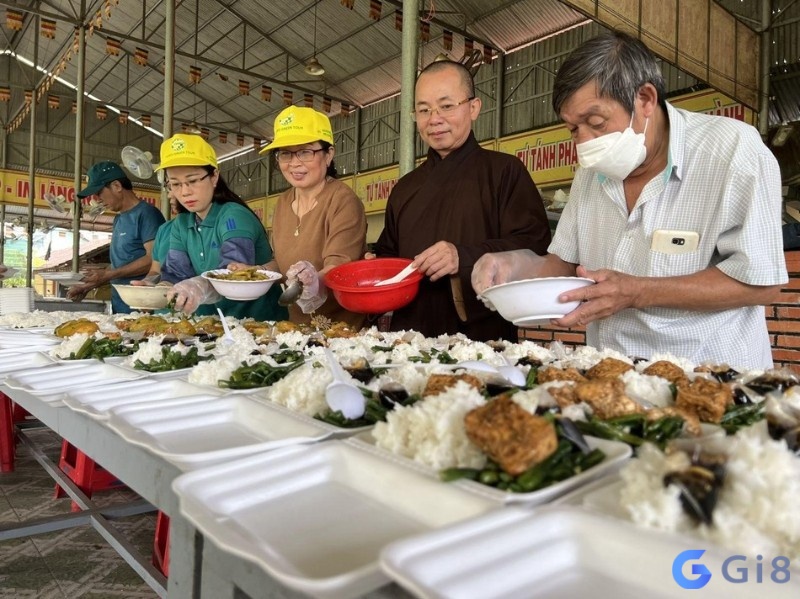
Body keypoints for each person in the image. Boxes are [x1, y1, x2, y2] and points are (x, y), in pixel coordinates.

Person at [472, 31, 787, 369]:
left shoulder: (731, 151)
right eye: (573, 129)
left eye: (596, 122)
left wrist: (636, 291)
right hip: (614, 377)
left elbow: (761, 284)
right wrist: (513, 264)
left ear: (645, 100)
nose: (586, 142)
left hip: (710, 379)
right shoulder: (591, 173)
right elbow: (561, 264)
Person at [373, 60, 551, 341]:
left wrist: (463, 257)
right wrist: (373, 264)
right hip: (409, 335)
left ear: (474, 107)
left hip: (482, 334)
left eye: (446, 106)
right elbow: (389, 255)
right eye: (423, 110)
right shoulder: (405, 188)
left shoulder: (504, 171)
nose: (434, 119)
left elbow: (534, 246)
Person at [229, 105, 367, 327]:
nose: (294, 163)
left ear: (328, 154)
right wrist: (258, 272)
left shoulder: (343, 200)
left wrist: (314, 281)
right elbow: (283, 263)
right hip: (297, 327)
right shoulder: (283, 203)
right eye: (285, 153)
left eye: (305, 151)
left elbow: (339, 267)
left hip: (341, 330)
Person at [159, 133, 286, 321]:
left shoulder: (233, 216)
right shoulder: (181, 224)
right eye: (175, 184)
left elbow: (232, 274)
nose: (184, 192)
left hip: (255, 322)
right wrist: (153, 289)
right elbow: (176, 274)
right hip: (209, 324)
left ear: (214, 177)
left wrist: (197, 287)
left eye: (193, 181)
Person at [67, 161, 165, 313]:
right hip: (120, 305)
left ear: (117, 186)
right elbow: (119, 264)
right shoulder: (118, 219)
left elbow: (154, 259)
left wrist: (108, 274)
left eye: (99, 192)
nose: (97, 199)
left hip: (142, 308)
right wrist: (88, 285)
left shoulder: (147, 214)